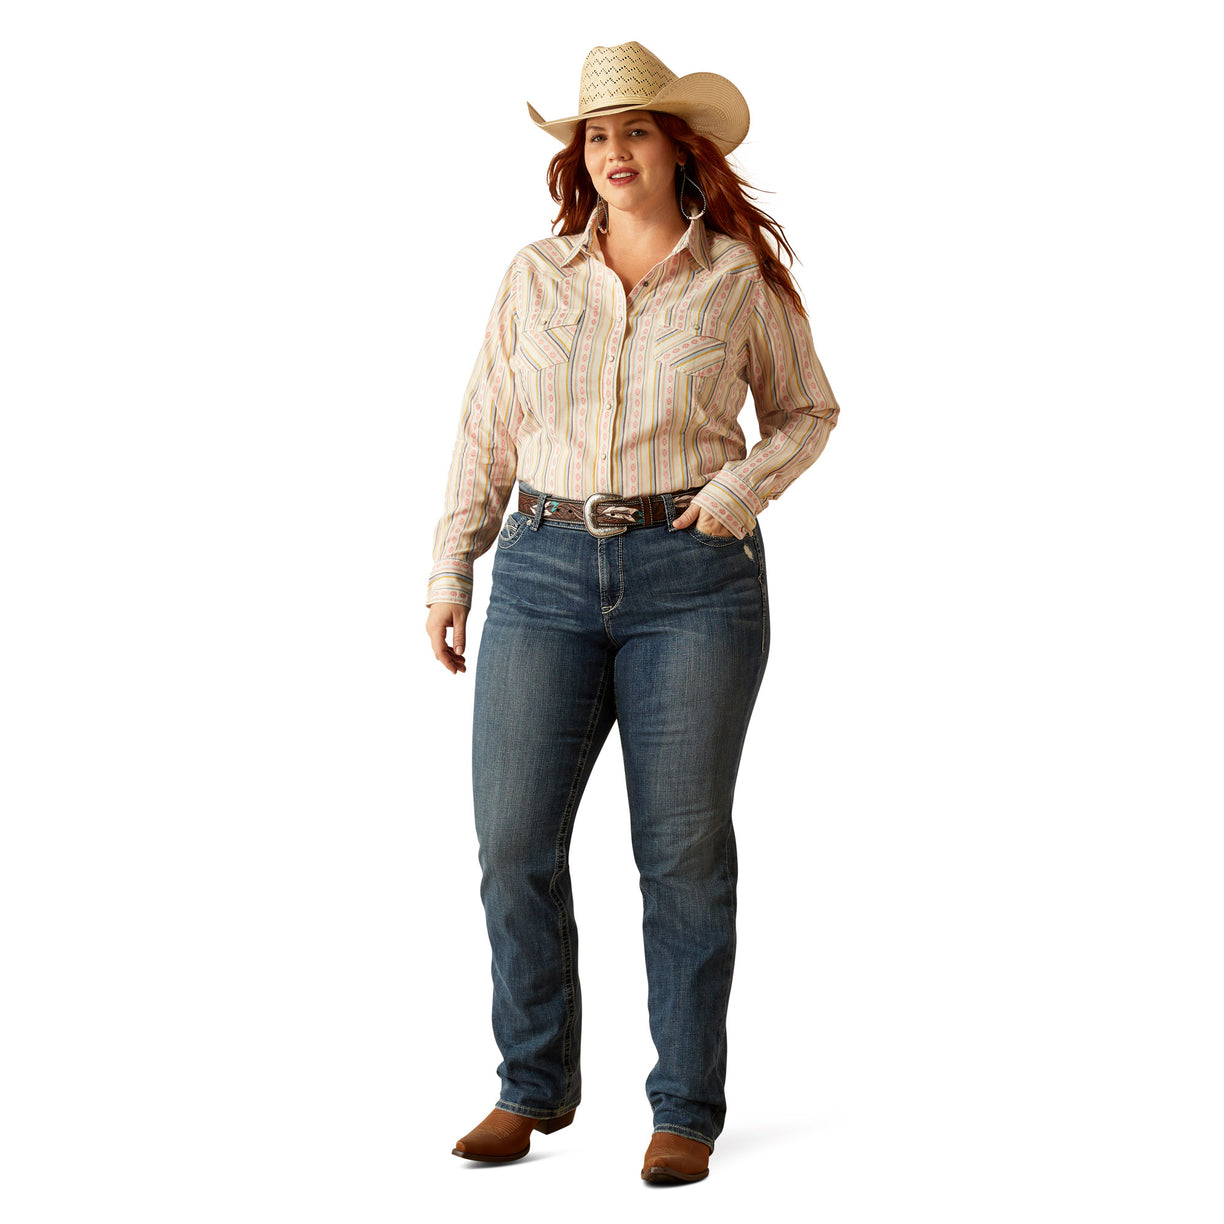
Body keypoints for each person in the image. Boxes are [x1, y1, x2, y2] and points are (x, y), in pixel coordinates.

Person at [425, 41, 840, 1184]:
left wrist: (735, 491)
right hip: (544, 571)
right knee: (512, 842)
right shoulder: (535, 277)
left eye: (635, 132)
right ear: (580, 157)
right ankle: (532, 1087)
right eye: (595, 135)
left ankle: (685, 1108)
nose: (612, 150)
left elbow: (808, 412)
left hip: (692, 582)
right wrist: (451, 570)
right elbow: (485, 429)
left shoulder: (736, 279)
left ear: (677, 149)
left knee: (684, 853)